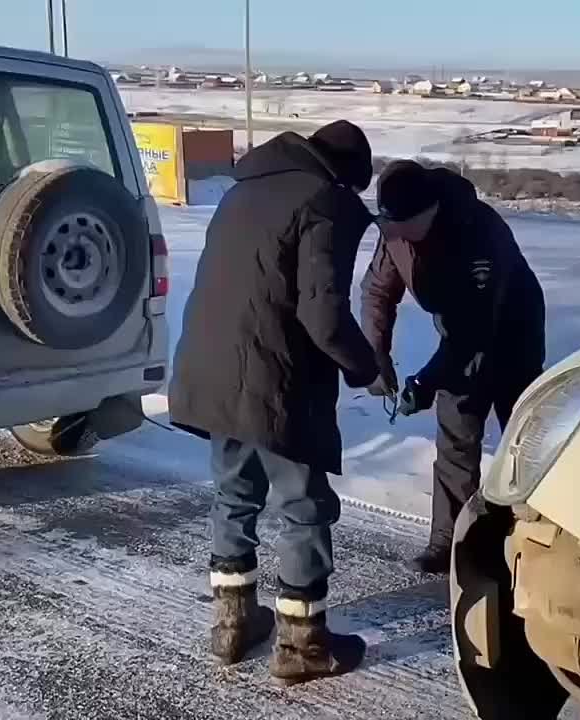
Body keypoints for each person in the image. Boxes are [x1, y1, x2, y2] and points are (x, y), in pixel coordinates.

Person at [169, 120, 381, 685]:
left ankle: (232, 623)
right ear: (345, 174)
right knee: (301, 505)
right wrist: (368, 368)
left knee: (235, 493)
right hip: (275, 375)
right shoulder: (321, 200)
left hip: (212, 366)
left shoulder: (243, 190)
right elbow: (324, 316)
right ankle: (302, 644)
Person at [360, 159, 546, 574]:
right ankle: (449, 543)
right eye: (392, 226)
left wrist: (427, 380)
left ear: (431, 211)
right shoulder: (396, 231)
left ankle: (532, 544)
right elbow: (376, 291)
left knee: (521, 438)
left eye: (407, 225)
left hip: (512, 329)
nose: (398, 235)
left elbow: (476, 327)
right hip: (457, 333)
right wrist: (374, 358)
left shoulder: (479, 230)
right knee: (456, 435)